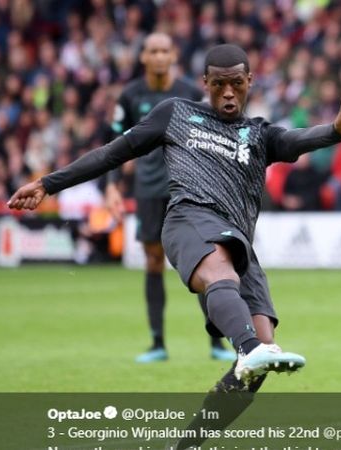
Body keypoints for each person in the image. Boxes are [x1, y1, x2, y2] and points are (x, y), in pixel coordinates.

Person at [8, 43, 341, 412]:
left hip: (237, 243)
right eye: (219, 84)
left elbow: (295, 139)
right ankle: (246, 348)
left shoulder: (260, 134)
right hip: (189, 219)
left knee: (260, 358)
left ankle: (192, 439)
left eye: (236, 83)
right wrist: (47, 184)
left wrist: (334, 131)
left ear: (250, 81)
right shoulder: (176, 113)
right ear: (205, 83)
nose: (229, 92)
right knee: (236, 304)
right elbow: (113, 152)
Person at [105, 32, 234, 363]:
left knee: (205, 261)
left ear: (174, 54)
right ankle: (158, 343)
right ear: (144, 57)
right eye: (153, 51)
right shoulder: (131, 96)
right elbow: (114, 144)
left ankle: (217, 342)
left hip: (189, 189)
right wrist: (111, 185)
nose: (160, 56)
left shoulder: (191, 94)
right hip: (148, 189)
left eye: (165, 50)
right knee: (152, 260)